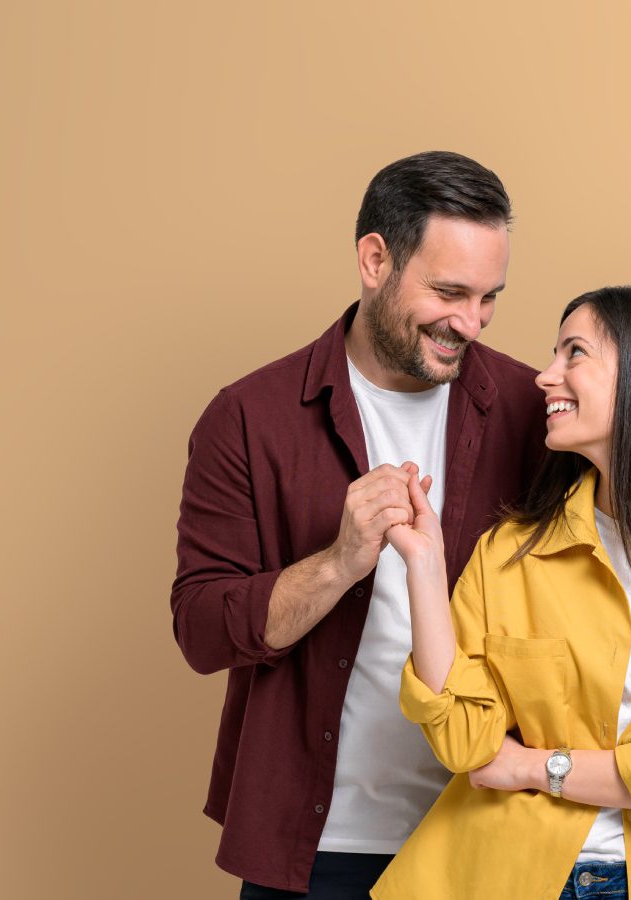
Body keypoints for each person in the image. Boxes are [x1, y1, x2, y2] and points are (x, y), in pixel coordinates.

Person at [170, 151, 547, 898]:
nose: (468, 323)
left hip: (488, 839)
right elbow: (203, 632)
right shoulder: (249, 418)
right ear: (374, 259)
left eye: (488, 298)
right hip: (316, 850)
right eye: (448, 292)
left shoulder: (531, 411)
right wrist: (339, 561)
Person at [373, 286, 631, 900]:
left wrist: (535, 766)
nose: (546, 377)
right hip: (504, 877)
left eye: (575, 354)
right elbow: (466, 742)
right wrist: (425, 567)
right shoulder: (509, 552)